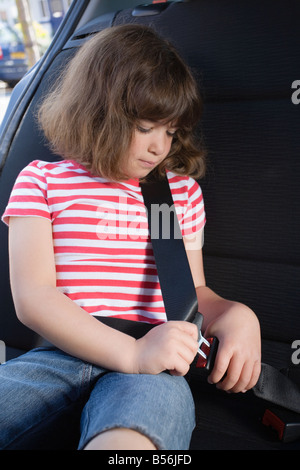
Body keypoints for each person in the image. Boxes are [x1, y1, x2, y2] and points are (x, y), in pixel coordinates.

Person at [0, 24, 261, 450]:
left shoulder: (168, 198)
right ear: (97, 112)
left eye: (171, 132)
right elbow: (34, 298)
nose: (160, 147)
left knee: (133, 440)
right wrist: (128, 353)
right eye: (146, 127)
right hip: (57, 357)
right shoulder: (44, 183)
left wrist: (233, 314)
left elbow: (188, 291)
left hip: (153, 366)